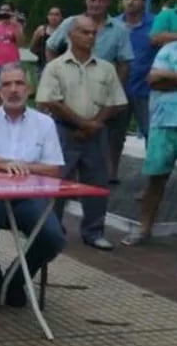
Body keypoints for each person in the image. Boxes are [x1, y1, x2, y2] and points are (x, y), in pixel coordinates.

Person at [0, 63, 67, 306]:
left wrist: (23, 167)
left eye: (19, 83)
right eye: (7, 84)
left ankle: (15, 281)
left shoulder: (45, 123)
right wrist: (5, 164)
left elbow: (53, 169)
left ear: (29, 89)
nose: (13, 90)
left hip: (30, 196)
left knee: (54, 238)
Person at [36, 16, 127, 251]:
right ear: (71, 35)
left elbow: (115, 101)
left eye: (93, 33)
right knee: (57, 183)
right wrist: (81, 124)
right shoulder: (55, 67)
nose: (90, 37)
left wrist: (94, 124)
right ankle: (52, 229)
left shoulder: (106, 68)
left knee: (97, 183)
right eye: (84, 32)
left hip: (96, 134)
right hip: (64, 132)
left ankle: (94, 232)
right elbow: (50, 101)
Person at [129, 39, 177, 246]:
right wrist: (163, 78)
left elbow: (164, 80)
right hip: (164, 121)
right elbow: (154, 80)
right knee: (156, 178)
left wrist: (170, 78)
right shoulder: (169, 49)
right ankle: (144, 227)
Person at [45, 0, 133, 91]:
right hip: (70, 85)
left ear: (108, 3)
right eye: (92, 0)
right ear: (86, 1)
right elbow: (50, 47)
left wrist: (116, 89)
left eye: (101, 1)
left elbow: (124, 64)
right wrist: (55, 75)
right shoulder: (71, 22)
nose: (96, 4)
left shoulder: (120, 29)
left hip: (102, 86)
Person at [108, 0, 153, 182]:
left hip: (146, 89)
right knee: (115, 136)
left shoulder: (155, 24)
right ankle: (111, 174)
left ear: (143, 1)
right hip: (119, 88)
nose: (130, 2)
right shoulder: (114, 25)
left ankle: (152, 179)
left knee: (151, 135)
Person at [29, 7, 63, 77]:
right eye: (51, 14)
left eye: (56, 15)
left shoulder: (64, 31)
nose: (53, 17)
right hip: (42, 66)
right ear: (47, 17)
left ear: (61, 17)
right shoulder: (41, 30)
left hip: (60, 66)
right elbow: (32, 47)